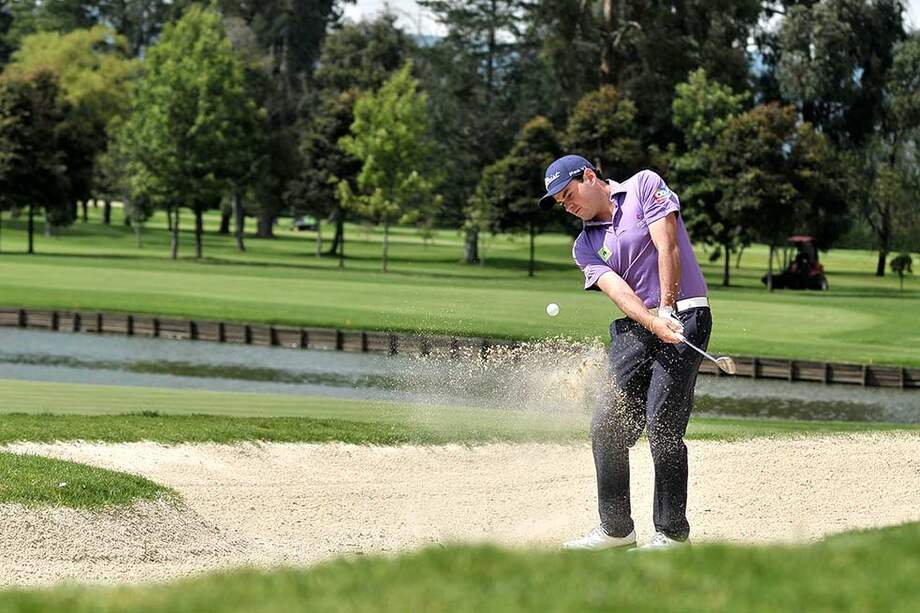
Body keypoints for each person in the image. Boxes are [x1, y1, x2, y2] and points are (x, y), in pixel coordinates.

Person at [538, 154, 711, 550]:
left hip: (685, 312)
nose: (569, 205)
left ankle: (671, 533)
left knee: (662, 421)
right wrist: (652, 322)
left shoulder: (644, 186)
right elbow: (620, 292)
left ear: (590, 176)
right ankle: (616, 529)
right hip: (638, 326)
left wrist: (666, 311)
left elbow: (667, 247)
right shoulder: (585, 246)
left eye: (569, 194)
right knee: (606, 423)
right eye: (562, 204)